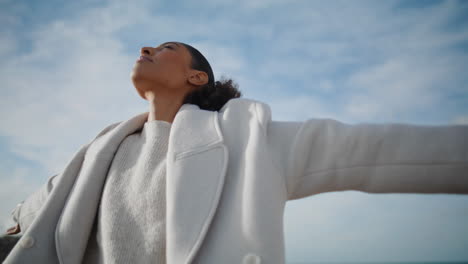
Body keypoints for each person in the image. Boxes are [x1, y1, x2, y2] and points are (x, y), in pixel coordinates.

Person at [3, 41, 468, 264]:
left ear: (197, 77)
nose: (146, 47)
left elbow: (375, 151)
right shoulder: (100, 149)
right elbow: (37, 216)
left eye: (165, 48)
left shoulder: (246, 139)